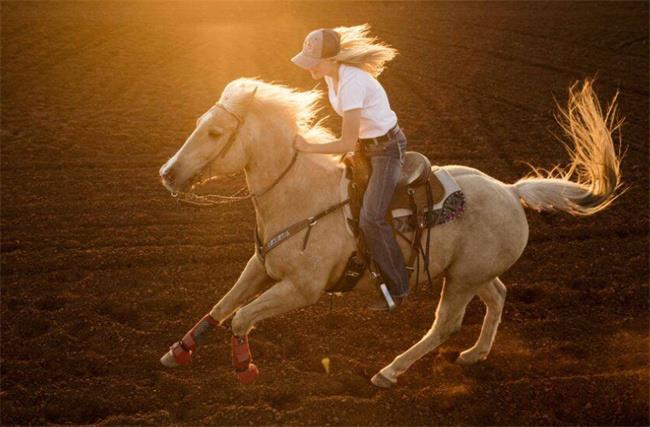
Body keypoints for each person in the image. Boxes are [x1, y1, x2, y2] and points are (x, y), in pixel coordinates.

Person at [290, 24, 409, 311]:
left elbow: (345, 141)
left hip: (387, 150)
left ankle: (398, 287)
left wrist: (308, 146)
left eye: (313, 63)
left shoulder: (352, 82)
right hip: (366, 148)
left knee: (371, 218)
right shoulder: (332, 77)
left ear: (331, 60)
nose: (309, 68)